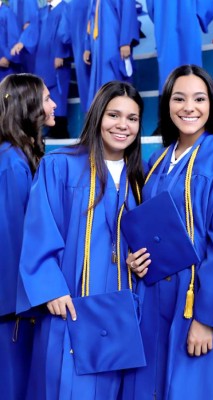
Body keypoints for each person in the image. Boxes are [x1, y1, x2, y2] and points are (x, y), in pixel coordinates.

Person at [121, 65, 213, 399]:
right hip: (153, 298)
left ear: (211, 103)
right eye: (179, 98)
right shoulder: (156, 160)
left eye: (199, 98)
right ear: (167, 104)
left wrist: (205, 319)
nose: (189, 107)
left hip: (196, 301)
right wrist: (134, 259)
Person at [16, 80, 145, 399]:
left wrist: (138, 261)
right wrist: (52, 289)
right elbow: (39, 229)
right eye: (114, 115)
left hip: (119, 313)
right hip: (70, 309)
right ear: (98, 115)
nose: (123, 126)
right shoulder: (60, 166)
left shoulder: (140, 176)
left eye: (132, 118)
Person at [0, 73, 55, 400]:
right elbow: (15, 242)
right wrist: (30, 305)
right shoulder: (11, 164)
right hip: (13, 311)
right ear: (29, 105)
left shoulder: (18, 156)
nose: (54, 104)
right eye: (47, 98)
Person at [145, 0, 213, 93]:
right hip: (189, 18)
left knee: (167, 62)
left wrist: (160, 16)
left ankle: (169, 93)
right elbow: (206, 6)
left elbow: (151, 7)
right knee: (190, 57)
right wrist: (203, 16)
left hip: (166, 21)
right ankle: (192, 89)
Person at [84, 0, 139, 108]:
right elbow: (90, 18)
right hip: (97, 47)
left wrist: (125, 41)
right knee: (98, 90)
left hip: (113, 43)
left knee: (114, 81)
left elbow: (128, 12)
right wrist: (87, 47)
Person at [33, 0, 72, 139]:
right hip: (43, 60)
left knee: (58, 94)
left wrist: (61, 53)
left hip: (57, 59)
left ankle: (60, 129)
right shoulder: (43, 11)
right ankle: (48, 127)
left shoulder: (65, 8)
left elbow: (66, 32)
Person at [0, 2, 21, 80]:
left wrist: (8, 57)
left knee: (7, 91)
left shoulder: (7, 13)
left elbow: (14, 38)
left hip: (6, 68)